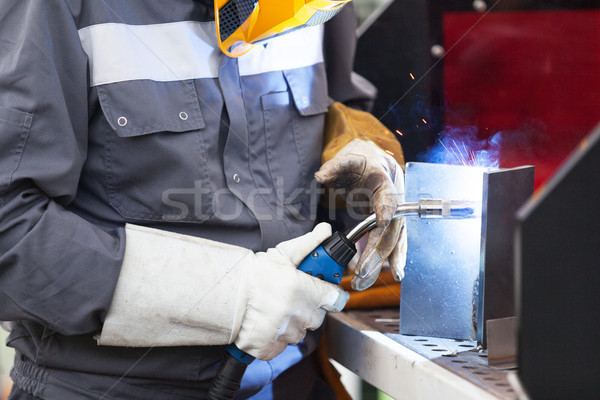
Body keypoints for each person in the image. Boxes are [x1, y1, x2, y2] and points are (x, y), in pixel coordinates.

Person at [0, 1, 406, 399]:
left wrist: (357, 148)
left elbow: (335, 102)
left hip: (291, 381)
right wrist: (228, 295)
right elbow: (9, 229)